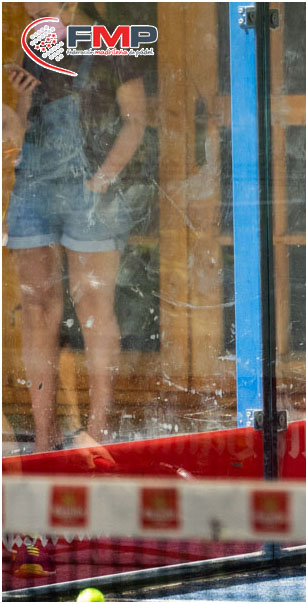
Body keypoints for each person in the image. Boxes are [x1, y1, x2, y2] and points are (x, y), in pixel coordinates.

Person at [5, 2, 145, 461]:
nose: (30, 13)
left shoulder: (113, 42)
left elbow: (136, 121)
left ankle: (99, 432)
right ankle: (44, 439)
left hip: (90, 188)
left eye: (37, 5)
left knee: (93, 304)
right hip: (35, 186)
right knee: (36, 308)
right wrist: (16, 104)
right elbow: (19, 134)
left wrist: (102, 179)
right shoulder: (34, 48)